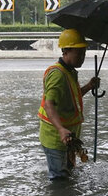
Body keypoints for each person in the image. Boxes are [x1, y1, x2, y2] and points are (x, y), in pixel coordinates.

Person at [38, 29, 99, 180]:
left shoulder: (69, 71)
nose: (82, 58)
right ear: (65, 51)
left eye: (84, 53)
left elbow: (72, 97)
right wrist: (60, 129)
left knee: (69, 174)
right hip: (56, 139)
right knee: (59, 179)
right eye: (78, 53)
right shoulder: (57, 74)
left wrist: (89, 86)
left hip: (69, 137)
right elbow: (48, 104)